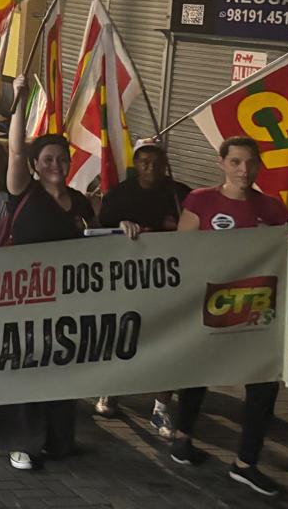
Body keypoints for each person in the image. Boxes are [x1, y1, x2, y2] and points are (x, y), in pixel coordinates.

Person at [168, 137, 288, 497]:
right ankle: (183, 438)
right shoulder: (201, 200)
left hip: (255, 312)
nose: (244, 170)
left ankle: (246, 462)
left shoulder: (273, 209)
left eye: (250, 163)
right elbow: (183, 251)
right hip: (209, 305)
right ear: (222, 163)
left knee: (262, 382)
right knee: (197, 372)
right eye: (236, 162)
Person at [0, 75, 95, 472]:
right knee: (25, 367)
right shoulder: (25, 191)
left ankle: (59, 440)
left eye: (61, 159)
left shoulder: (81, 202)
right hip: (24, 300)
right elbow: (15, 152)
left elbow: (99, 243)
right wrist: (17, 101)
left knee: (62, 370)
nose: (55, 165)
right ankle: (21, 443)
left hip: (67, 301)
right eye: (47, 159)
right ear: (36, 165)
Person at [93, 138, 184, 427]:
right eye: (144, 162)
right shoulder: (120, 194)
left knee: (168, 341)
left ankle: (161, 406)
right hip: (127, 280)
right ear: (136, 164)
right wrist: (119, 227)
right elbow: (99, 231)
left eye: (157, 163)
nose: (151, 168)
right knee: (122, 335)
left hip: (169, 280)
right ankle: (110, 391)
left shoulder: (180, 195)